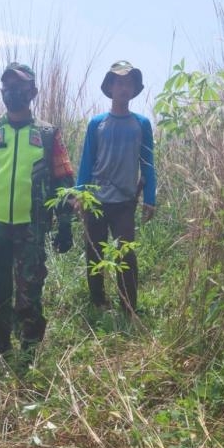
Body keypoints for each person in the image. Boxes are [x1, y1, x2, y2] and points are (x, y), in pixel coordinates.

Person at [0, 62, 74, 358]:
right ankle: (2, 348)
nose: (13, 92)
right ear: (2, 91)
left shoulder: (48, 134)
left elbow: (64, 180)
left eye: (20, 86)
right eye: (8, 86)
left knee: (30, 292)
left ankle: (28, 353)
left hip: (32, 228)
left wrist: (65, 224)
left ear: (32, 92)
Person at [76, 60, 156, 314]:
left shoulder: (141, 124)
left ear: (134, 89)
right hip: (96, 201)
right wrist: (79, 195)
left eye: (129, 83)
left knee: (126, 254)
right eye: (119, 82)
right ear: (110, 87)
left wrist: (150, 198)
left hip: (125, 202)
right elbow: (87, 162)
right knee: (95, 253)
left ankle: (128, 307)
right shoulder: (96, 124)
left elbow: (148, 163)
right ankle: (98, 302)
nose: (124, 88)